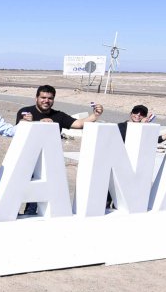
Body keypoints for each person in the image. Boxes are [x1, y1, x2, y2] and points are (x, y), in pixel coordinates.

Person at [15, 85, 103, 215]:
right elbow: (19, 127)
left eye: (50, 98)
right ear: (36, 98)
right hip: (27, 159)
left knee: (38, 192)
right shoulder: (26, 112)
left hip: (47, 161)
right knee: (18, 190)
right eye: (43, 97)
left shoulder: (58, 115)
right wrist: (35, 122)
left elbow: (79, 124)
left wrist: (95, 115)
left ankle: (30, 214)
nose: (46, 101)